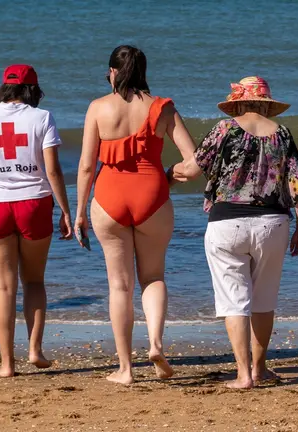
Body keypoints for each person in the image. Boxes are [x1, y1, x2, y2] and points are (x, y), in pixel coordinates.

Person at [171, 76, 298, 389]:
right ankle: (260, 369)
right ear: (266, 104)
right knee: (264, 299)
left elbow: (190, 170)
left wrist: (166, 174)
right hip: (272, 223)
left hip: (226, 224)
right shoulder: (283, 134)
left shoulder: (224, 129)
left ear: (238, 103)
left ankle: (243, 375)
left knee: (234, 300)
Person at [75, 45, 196, 385]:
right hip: (151, 197)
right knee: (153, 277)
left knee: (120, 285)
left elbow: (86, 166)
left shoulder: (98, 107)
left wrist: (80, 212)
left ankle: (125, 369)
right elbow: (194, 160)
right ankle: (155, 344)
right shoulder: (163, 108)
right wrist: (170, 175)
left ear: (112, 72)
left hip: (109, 198)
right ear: (143, 71)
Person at [0, 65, 73, 377]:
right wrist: (66, 211)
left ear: (4, 87)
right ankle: (35, 350)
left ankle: (7, 364)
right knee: (33, 281)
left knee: (3, 287)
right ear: (33, 89)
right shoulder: (42, 117)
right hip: (34, 203)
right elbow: (53, 170)